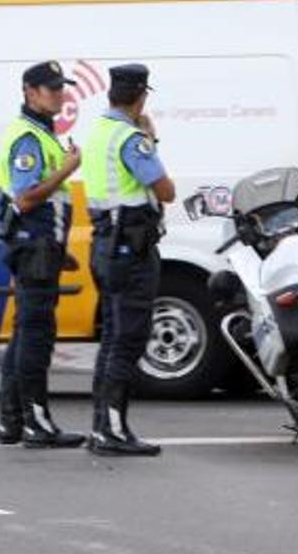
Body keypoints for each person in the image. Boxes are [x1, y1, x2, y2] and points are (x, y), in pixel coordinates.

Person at [80, 64, 175, 457]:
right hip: (131, 250)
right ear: (141, 97)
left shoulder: (99, 132)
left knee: (112, 338)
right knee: (129, 339)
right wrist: (151, 137)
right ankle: (113, 432)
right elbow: (165, 191)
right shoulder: (133, 139)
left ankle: (102, 425)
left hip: (105, 243)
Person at [0, 61, 87, 449]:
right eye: (51, 89)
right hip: (32, 248)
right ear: (30, 92)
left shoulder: (43, 133)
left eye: (61, 88)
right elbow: (26, 197)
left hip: (40, 248)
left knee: (25, 336)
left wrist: (60, 251)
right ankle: (36, 423)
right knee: (35, 337)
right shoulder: (28, 137)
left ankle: (11, 423)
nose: (60, 95)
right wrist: (67, 169)